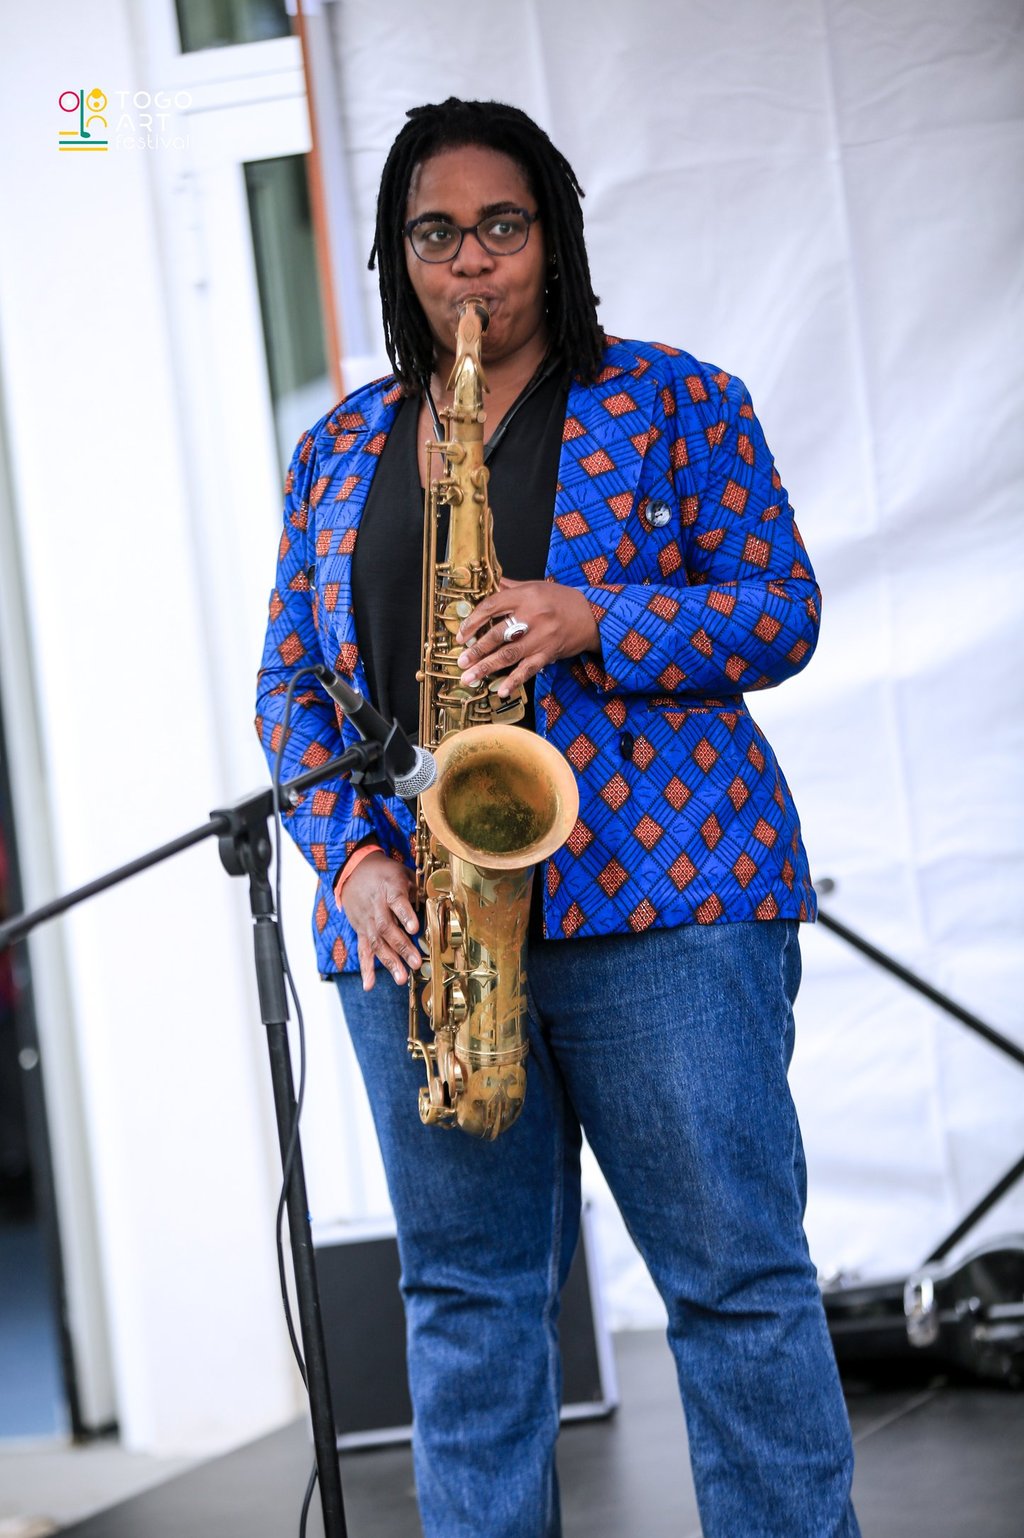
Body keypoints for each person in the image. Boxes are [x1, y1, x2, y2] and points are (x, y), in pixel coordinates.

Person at [256, 97, 860, 1538]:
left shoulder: (681, 402)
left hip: (668, 903)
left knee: (734, 1282)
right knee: (466, 1302)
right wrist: (348, 863)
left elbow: (782, 612)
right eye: (436, 235)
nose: (471, 263)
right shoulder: (339, 448)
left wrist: (599, 618)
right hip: (426, 930)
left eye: (502, 228)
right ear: (399, 254)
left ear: (555, 236)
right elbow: (290, 685)